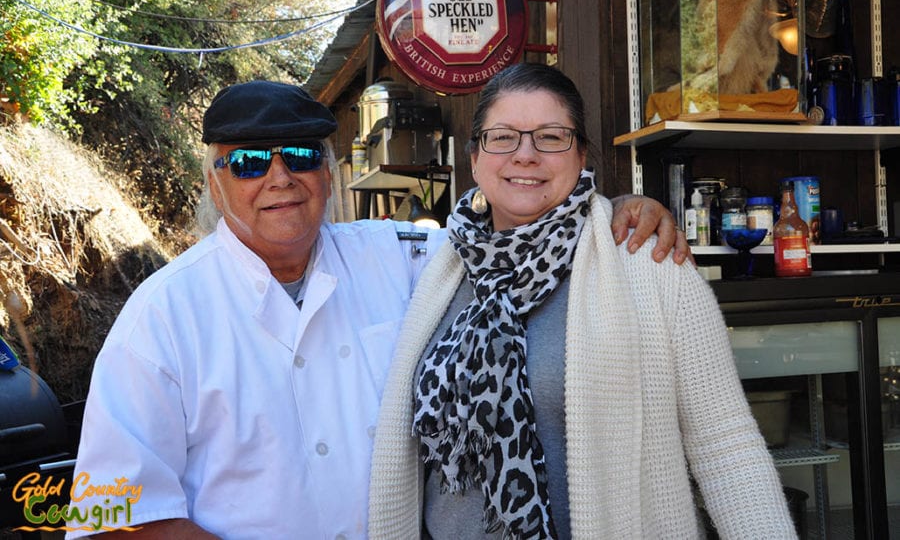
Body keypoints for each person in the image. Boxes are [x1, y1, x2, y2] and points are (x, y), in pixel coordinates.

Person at [66, 80, 686, 539]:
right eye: (252, 161)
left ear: (329, 175)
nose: (280, 177)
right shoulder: (163, 316)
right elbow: (117, 515)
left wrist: (617, 212)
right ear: (215, 181)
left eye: (302, 156)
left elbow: (520, 233)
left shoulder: (401, 255)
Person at [367, 63, 796, 539]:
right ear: (475, 156)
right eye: (503, 136)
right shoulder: (438, 268)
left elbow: (726, 447)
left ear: (581, 155)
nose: (525, 155)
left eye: (551, 137)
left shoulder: (648, 263)